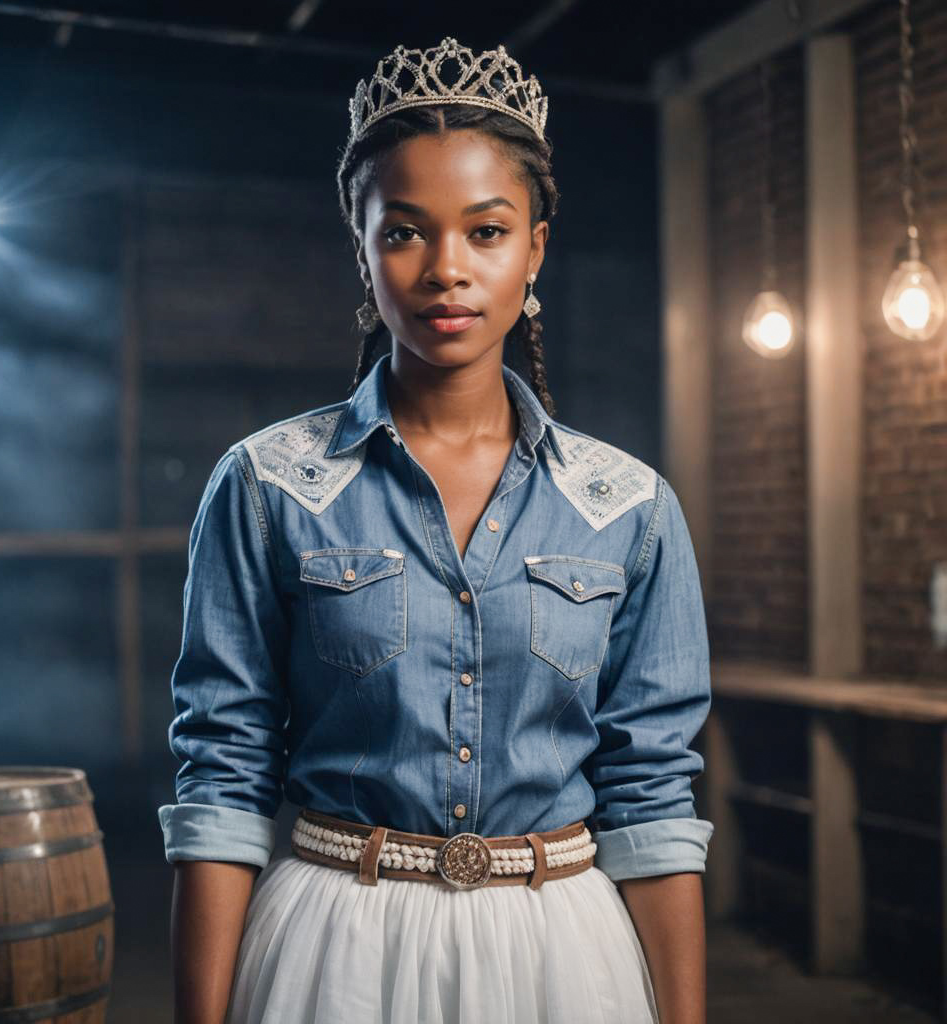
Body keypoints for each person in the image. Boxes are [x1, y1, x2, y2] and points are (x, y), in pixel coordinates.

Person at [158, 36, 714, 1024]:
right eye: (405, 232)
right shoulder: (267, 484)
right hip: (334, 947)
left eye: (486, 232)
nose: (446, 269)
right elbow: (223, 772)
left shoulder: (627, 505)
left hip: (560, 955)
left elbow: (653, 799)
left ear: (535, 247)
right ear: (361, 249)